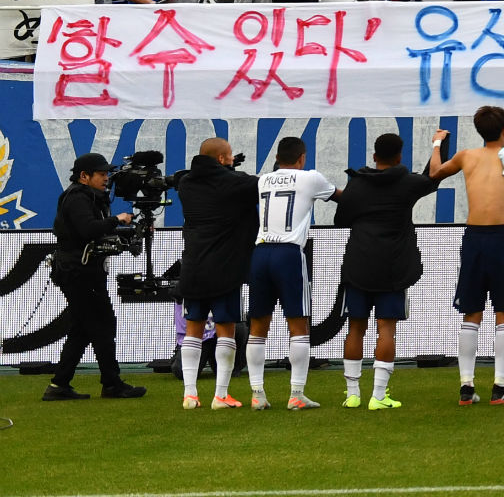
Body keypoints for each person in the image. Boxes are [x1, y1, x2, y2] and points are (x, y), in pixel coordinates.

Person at [427, 106, 504, 406]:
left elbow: (434, 172)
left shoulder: (466, 155)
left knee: (472, 312)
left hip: (474, 239)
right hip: (500, 237)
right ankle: (499, 387)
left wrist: (436, 144)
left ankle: (466, 388)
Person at [335, 133, 437, 410]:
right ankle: (378, 396)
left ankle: (352, 394)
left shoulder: (357, 183)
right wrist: (439, 145)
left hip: (359, 262)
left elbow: (340, 219)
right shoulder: (407, 183)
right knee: (386, 330)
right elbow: (433, 178)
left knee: (355, 328)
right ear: (400, 156)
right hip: (393, 266)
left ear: (374, 156)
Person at [246, 136, 340, 410]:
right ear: (302, 157)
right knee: (299, 326)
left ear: (277, 158)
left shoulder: (263, 180)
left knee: (257, 327)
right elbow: (341, 196)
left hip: (261, 252)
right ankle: (296, 394)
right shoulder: (310, 178)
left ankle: (257, 394)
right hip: (288, 253)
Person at [43, 154, 143, 401]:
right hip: (79, 272)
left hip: (82, 271)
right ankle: (111, 383)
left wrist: (125, 231)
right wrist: (116, 220)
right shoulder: (77, 198)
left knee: (84, 328)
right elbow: (88, 229)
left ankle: (59, 385)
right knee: (103, 323)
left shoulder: (87, 197)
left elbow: (91, 233)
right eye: (101, 174)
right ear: (84, 176)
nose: (106, 178)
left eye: (107, 173)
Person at [173, 138, 258, 410]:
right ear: (221, 160)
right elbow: (255, 186)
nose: (233, 160)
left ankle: (190, 394)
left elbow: (194, 179)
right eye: (230, 156)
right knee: (226, 331)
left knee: (192, 331)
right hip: (225, 268)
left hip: (193, 266)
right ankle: (221, 395)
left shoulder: (185, 184)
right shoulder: (234, 183)